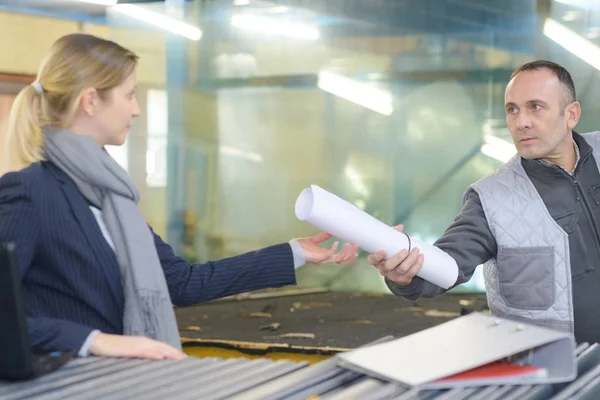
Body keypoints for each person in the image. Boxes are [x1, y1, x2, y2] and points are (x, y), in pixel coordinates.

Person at [0, 33, 359, 361]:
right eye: (129, 95)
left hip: (118, 382)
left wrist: (295, 252)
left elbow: (183, 282)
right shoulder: (31, 192)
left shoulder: (113, 200)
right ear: (91, 101)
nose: (137, 109)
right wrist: (93, 339)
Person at [370, 60, 600, 344]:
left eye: (535, 107)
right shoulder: (492, 200)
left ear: (571, 114)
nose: (521, 121)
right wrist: (405, 274)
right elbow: (446, 264)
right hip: (553, 372)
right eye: (512, 109)